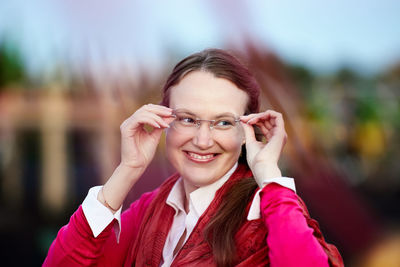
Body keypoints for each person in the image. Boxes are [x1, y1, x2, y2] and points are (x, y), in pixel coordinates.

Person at [43, 48, 343, 267]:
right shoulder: (152, 207)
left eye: (224, 122)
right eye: (187, 119)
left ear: (247, 131)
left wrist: (269, 175)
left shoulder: (267, 210)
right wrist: (128, 169)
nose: (202, 140)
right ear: (163, 121)